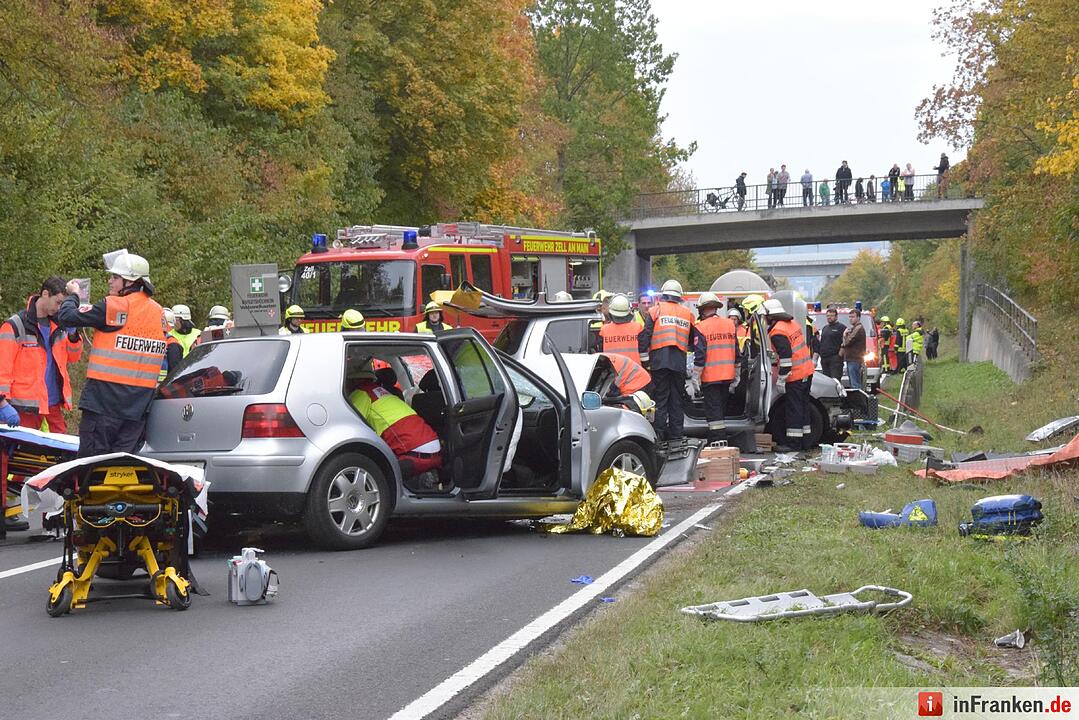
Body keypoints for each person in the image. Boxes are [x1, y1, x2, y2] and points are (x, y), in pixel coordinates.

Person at [58, 253, 167, 457]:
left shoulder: (116, 305)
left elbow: (66, 317)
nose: (110, 281)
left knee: (92, 466)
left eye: (115, 277)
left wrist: (74, 295)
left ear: (130, 281)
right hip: (137, 408)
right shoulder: (159, 313)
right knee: (120, 468)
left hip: (104, 402)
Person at [0, 276, 83, 434]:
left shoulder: (60, 325)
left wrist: (73, 334)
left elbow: (74, 357)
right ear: (45, 294)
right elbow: (2, 368)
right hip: (23, 407)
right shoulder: (16, 326)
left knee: (61, 454)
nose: (60, 308)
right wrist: (2, 403)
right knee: (15, 455)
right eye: (58, 302)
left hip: (52, 405)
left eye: (63, 305)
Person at [348, 367, 443, 489]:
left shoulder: (361, 394)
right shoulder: (386, 393)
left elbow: (352, 425)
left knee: (375, 475)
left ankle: (416, 480)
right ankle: (424, 478)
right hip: (435, 453)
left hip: (413, 456)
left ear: (353, 381)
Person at [638, 279, 695, 442]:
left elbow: (645, 338)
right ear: (679, 296)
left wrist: (645, 363)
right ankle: (677, 437)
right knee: (676, 400)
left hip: (659, 362)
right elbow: (691, 341)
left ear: (664, 294)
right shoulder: (688, 314)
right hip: (678, 363)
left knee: (660, 400)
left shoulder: (655, 310)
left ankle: (659, 437)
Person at [761, 298, 815, 452]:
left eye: (765, 316)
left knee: (794, 409)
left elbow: (786, 358)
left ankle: (793, 444)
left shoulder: (777, 331)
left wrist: (782, 379)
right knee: (804, 408)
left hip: (796, 375)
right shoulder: (791, 324)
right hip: (807, 371)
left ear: (771, 316)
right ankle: (806, 442)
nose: (764, 319)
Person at [690, 293, 739, 444]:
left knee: (714, 412)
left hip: (711, 377)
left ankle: (718, 441)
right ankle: (719, 438)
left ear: (703, 310)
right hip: (727, 376)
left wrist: (695, 377)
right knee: (720, 410)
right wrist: (737, 375)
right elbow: (737, 352)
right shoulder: (729, 324)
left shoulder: (701, 327)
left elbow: (700, 355)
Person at [596, 295, 645, 363]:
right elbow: (643, 353)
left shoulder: (604, 330)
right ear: (629, 311)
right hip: (634, 370)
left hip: (612, 370)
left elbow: (601, 354)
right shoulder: (638, 328)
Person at [840, 308, 867, 390]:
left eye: (853, 317)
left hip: (854, 359)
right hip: (853, 358)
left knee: (855, 384)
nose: (851, 319)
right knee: (854, 382)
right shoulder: (854, 328)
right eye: (850, 317)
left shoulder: (858, 328)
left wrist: (845, 335)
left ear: (858, 317)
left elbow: (848, 341)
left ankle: (858, 401)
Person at [816, 306, 845, 381]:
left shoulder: (841, 327)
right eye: (828, 316)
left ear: (836, 317)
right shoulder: (825, 328)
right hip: (824, 359)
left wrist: (840, 354)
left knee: (835, 380)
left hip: (835, 358)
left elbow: (846, 341)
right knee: (826, 381)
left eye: (831, 316)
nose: (829, 317)